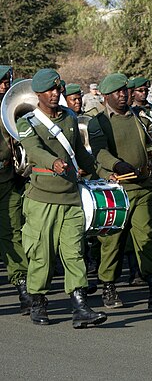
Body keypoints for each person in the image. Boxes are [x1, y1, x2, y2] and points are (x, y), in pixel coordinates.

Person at [17, 68, 106, 328]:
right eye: (49, 90)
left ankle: (80, 305)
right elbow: (33, 150)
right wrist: (53, 162)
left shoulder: (69, 117)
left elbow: (80, 152)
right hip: (42, 198)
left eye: (58, 89)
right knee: (41, 253)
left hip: (70, 197)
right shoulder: (28, 122)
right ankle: (38, 301)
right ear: (38, 94)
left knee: (74, 251)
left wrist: (100, 173)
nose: (55, 94)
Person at [87, 73, 152, 311]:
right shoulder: (98, 122)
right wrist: (117, 165)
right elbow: (100, 153)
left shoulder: (138, 118)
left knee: (149, 238)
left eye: (125, 91)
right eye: (117, 92)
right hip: (116, 191)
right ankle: (108, 286)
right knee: (112, 241)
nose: (123, 95)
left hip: (143, 188)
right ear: (106, 96)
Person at [0, 65, 32, 315]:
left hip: (7, 180)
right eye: (0, 82)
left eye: (6, 81)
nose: (3, 86)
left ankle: (22, 285)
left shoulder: (8, 109)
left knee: (12, 232)